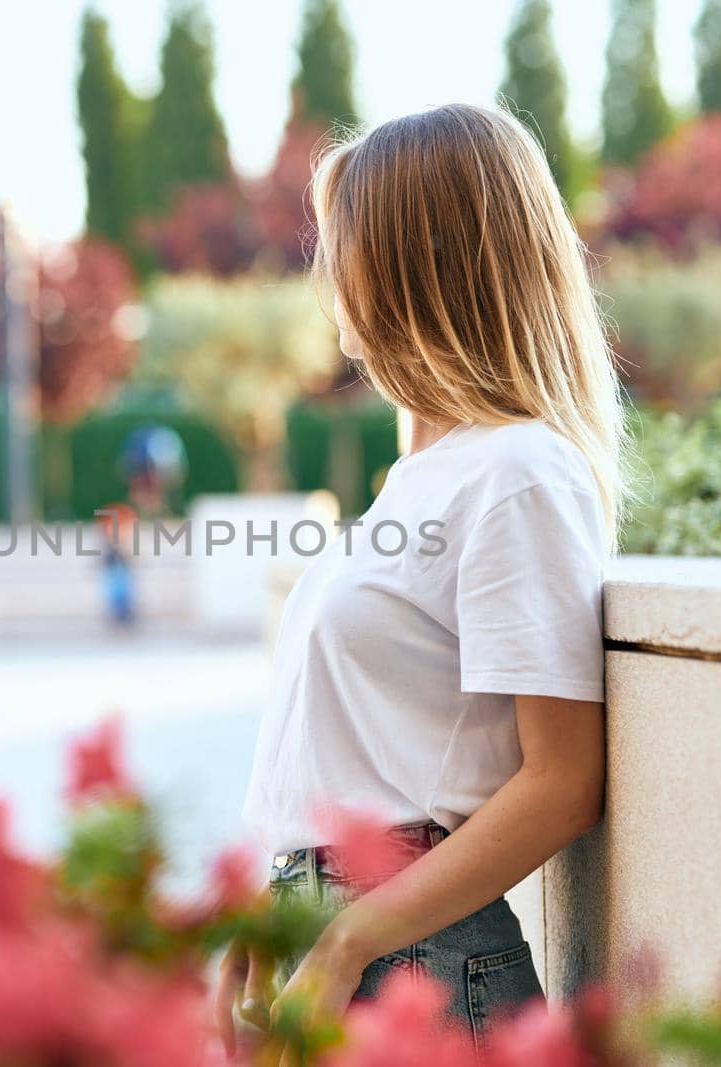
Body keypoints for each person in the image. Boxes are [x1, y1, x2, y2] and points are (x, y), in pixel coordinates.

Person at [217, 104, 625, 1051]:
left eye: (344, 245)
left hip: (412, 955)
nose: (328, 280)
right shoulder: (423, 473)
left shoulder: (520, 471)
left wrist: (350, 936)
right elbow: (337, 749)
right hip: (348, 940)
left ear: (414, 261)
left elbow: (563, 780)